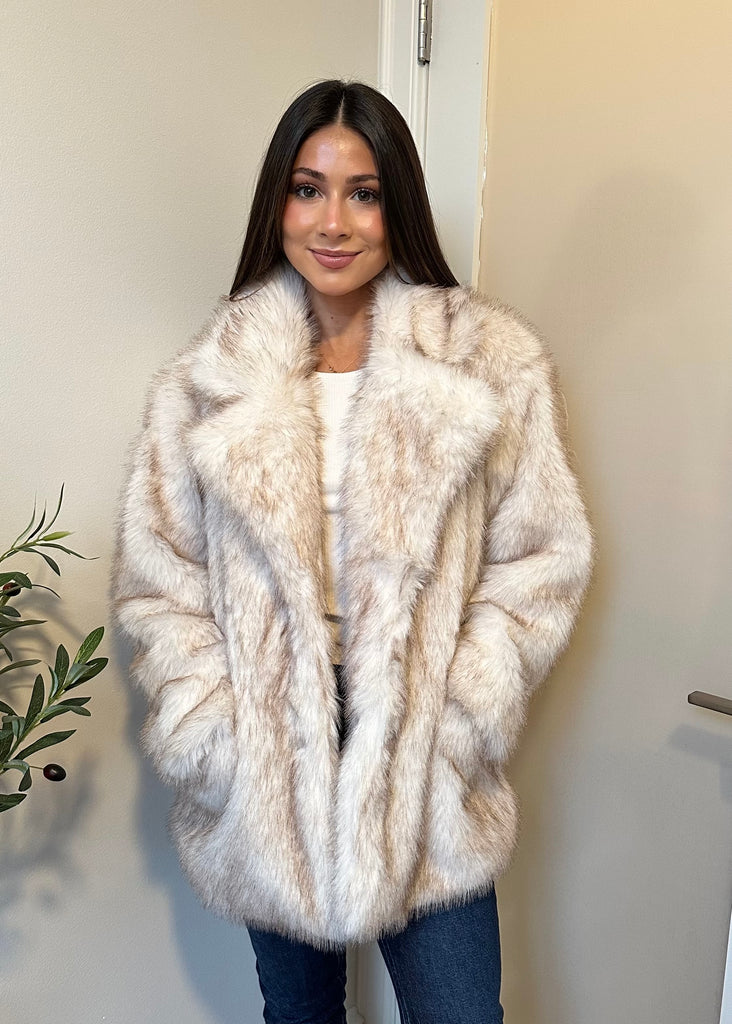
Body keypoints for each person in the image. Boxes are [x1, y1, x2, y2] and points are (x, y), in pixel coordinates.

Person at [113, 79, 593, 1023]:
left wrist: (462, 716)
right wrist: (215, 736)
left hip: (421, 743)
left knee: (461, 1014)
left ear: (396, 205)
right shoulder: (205, 382)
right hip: (266, 755)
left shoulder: (487, 364)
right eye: (307, 189)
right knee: (299, 1018)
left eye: (363, 193)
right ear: (277, 203)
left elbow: (540, 561)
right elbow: (163, 585)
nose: (333, 222)